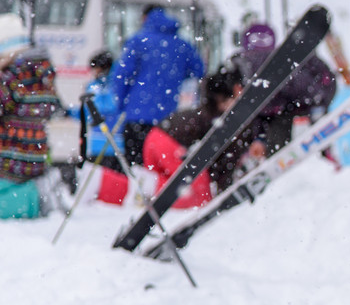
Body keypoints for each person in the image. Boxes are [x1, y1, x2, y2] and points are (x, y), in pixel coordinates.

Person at [90, 63, 259, 208]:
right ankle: (142, 185)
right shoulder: (221, 119)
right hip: (166, 142)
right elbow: (224, 160)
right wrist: (223, 194)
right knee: (198, 195)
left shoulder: (211, 110)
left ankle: (99, 182)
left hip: (156, 138)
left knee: (164, 191)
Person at [110, 5, 205, 166]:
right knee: (160, 168)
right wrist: (176, 75)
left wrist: (120, 104)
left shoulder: (138, 41)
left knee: (136, 168)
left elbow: (122, 76)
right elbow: (199, 70)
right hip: (168, 119)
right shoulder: (182, 44)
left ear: (145, 18)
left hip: (137, 116)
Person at [229, 22, 336, 155]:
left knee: (280, 119)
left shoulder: (242, 66)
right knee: (280, 119)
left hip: (299, 106)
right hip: (302, 104)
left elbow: (263, 111)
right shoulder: (286, 66)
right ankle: (321, 155)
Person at [0, 14, 64, 219]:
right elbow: (53, 109)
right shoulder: (41, 74)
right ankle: (33, 198)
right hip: (34, 159)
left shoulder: (11, 77)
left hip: (9, 161)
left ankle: (30, 200)